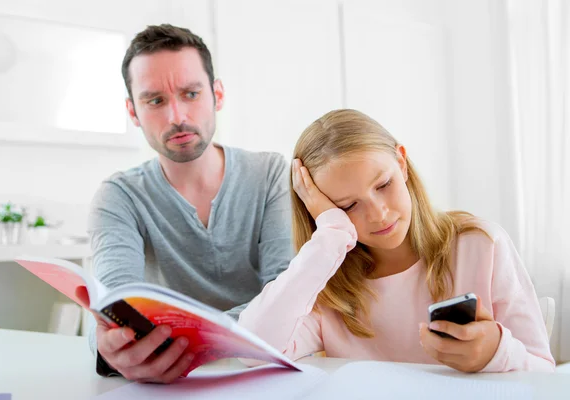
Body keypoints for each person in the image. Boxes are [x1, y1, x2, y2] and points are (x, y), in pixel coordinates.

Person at [238, 109, 555, 372]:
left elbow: (543, 373)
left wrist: (495, 353)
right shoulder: (326, 285)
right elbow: (251, 351)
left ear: (401, 163)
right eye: (348, 206)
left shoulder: (481, 246)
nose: (378, 214)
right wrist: (329, 236)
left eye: (383, 185)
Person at [83, 24, 293, 383]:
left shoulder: (270, 174)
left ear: (218, 94)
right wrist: (108, 347)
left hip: (263, 374)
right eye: (155, 101)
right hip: (169, 384)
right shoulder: (118, 196)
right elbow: (114, 309)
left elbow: (287, 294)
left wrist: (179, 336)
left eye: (191, 93)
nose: (176, 116)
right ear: (133, 112)